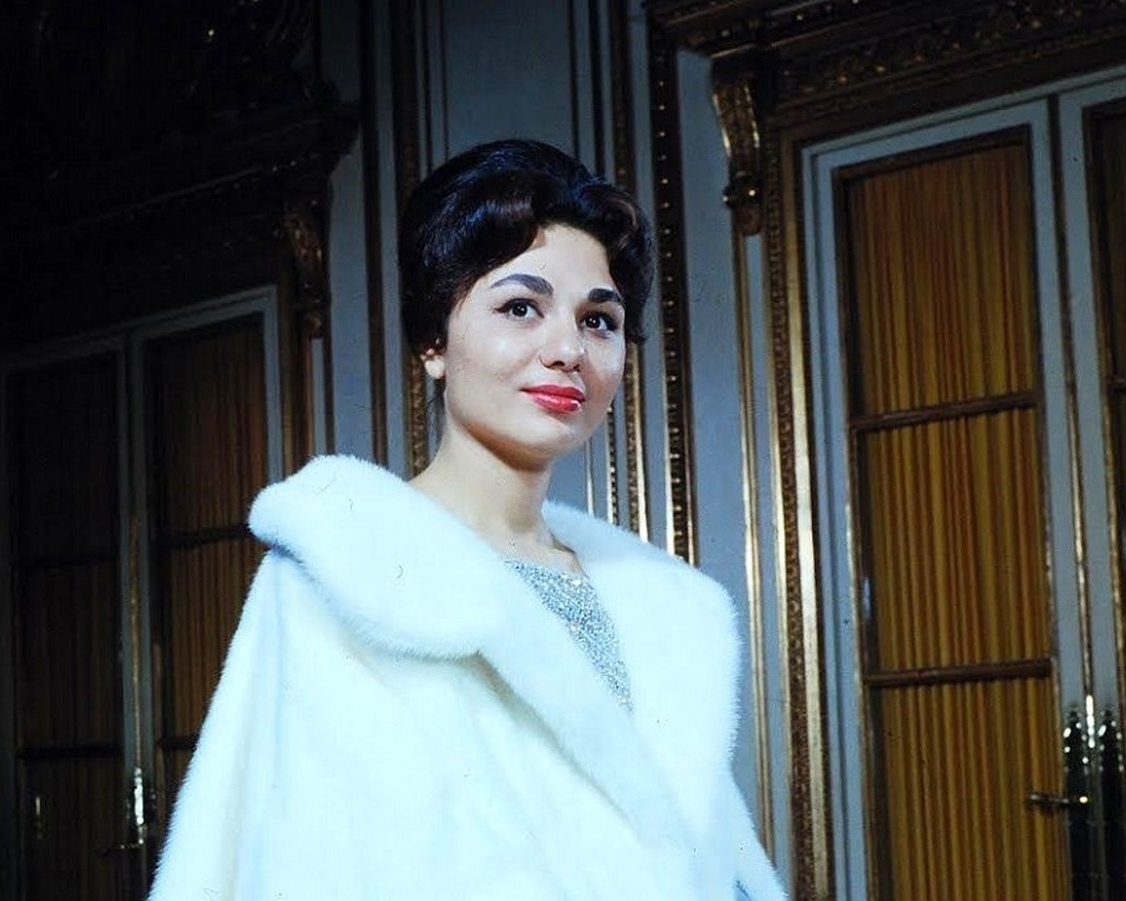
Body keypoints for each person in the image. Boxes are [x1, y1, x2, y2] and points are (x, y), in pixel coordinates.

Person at [147, 139, 786, 901]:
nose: (567, 349)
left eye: (599, 320)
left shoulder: (662, 604)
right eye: (520, 308)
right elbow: (303, 866)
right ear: (432, 343)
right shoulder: (345, 570)